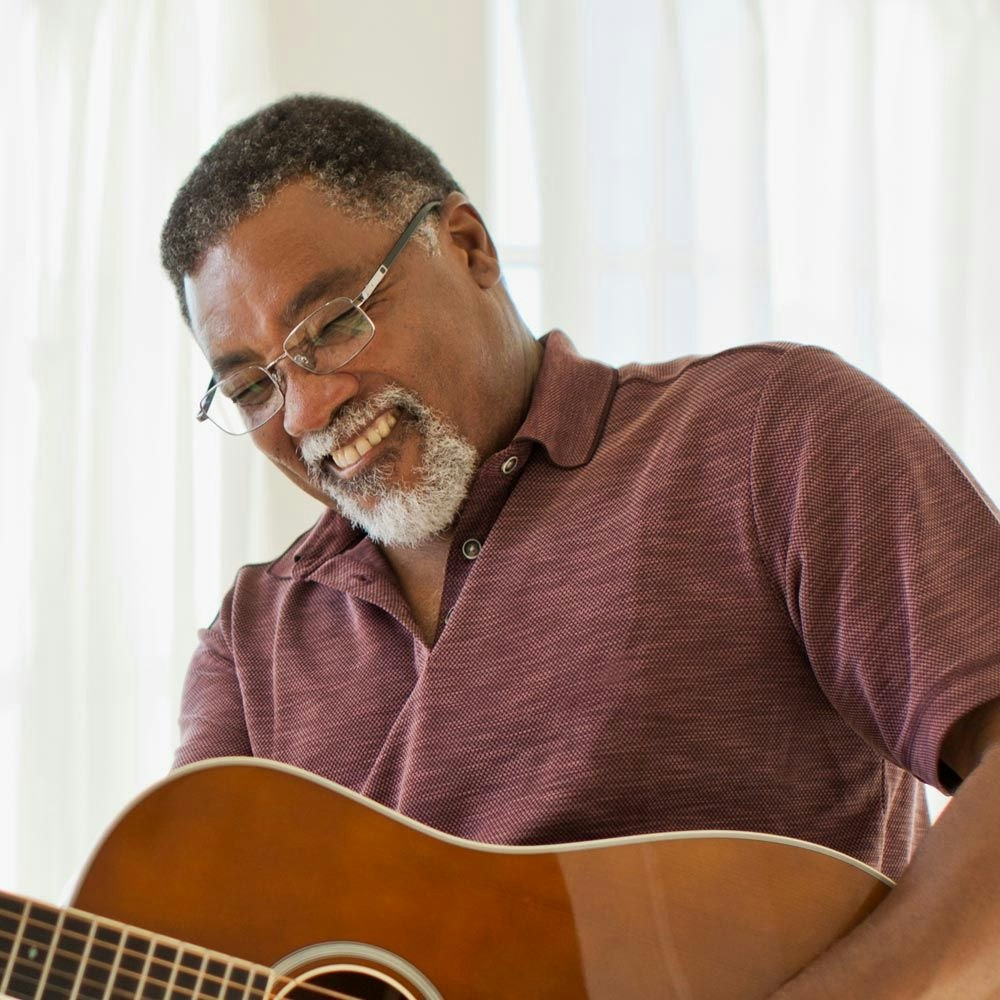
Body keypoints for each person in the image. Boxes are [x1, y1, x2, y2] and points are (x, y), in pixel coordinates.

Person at [161, 95, 1000, 995]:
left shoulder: (770, 432)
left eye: (330, 326)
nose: (306, 410)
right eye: (251, 386)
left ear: (471, 247)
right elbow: (189, 962)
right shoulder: (248, 644)